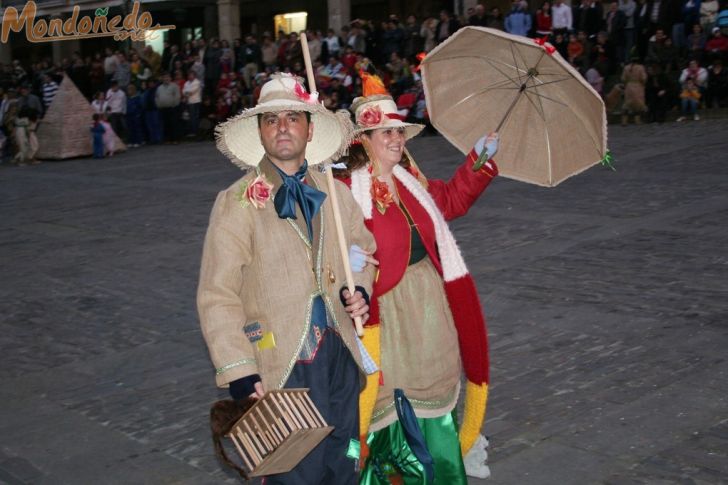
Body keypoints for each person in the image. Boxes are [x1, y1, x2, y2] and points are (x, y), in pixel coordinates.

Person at [197, 73, 377, 484]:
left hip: (341, 357)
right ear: (260, 132)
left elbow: (362, 251)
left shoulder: (337, 193)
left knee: (344, 459)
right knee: (294, 472)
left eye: (293, 117)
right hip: (282, 365)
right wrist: (240, 369)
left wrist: (359, 286)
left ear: (310, 129)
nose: (282, 127)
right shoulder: (236, 203)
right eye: (271, 119)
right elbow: (217, 294)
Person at [336, 72, 498, 483]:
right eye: (385, 132)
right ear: (364, 140)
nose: (396, 138)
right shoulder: (344, 191)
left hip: (430, 308)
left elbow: (451, 200)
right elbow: (329, 248)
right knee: (388, 405)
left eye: (398, 131)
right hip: (385, 314)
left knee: (435, 401)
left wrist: (478, 160)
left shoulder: (412, 180)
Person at [621, 55, 647, 124]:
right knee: (638, 104)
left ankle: (624, 121)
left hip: (629, 86)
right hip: (638, 86)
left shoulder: (626, 68)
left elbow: (623, 78)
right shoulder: (641, 67)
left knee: (627, 103)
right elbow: (643, 78)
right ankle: (637, 120)